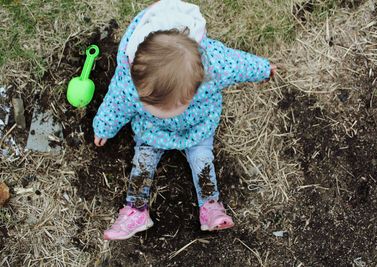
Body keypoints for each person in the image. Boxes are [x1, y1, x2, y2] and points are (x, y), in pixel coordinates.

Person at [93, 0, 276, 240]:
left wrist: (263, 68)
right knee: (144, 159)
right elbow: (116, 104)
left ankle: (210, 205)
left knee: (202, 157)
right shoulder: (130, 79)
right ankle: (135, 210)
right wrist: (104, 128)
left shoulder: (212, 64)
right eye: (157, 105)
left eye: (176, 105)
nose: (171, 111)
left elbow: (239, 64)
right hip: (151, 132)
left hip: (197, 128)